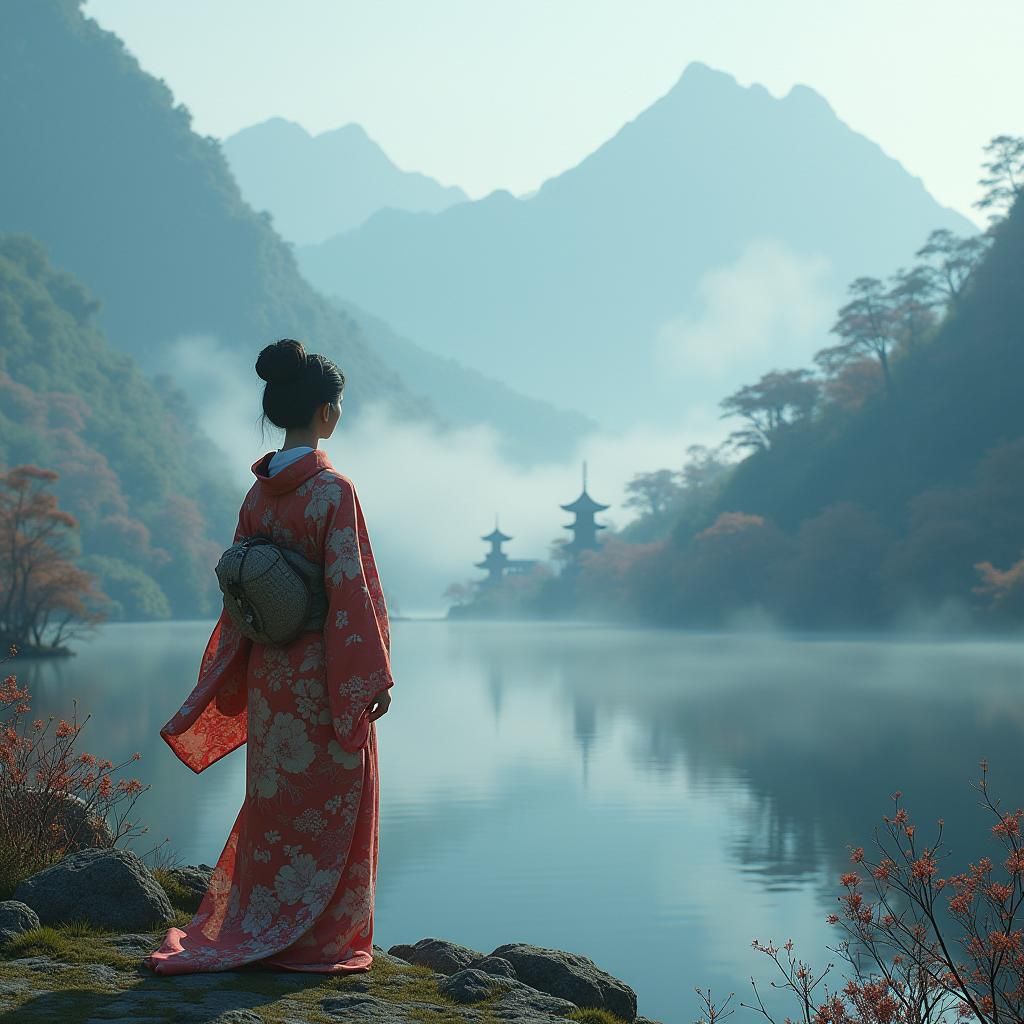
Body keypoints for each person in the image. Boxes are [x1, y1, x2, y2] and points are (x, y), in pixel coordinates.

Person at [145, 338, 394, 974]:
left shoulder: (257, 496)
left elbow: (240, 594)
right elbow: (350, 589)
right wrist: (369, 677)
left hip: (271, 670)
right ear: (326, 412)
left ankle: (258, 919)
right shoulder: (332, 491)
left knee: (276, 804)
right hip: (323, 670)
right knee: (338, 798)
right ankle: (317, 939)